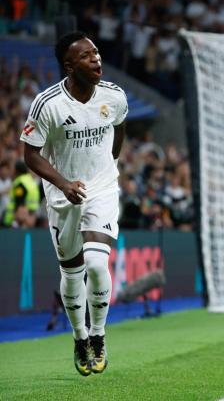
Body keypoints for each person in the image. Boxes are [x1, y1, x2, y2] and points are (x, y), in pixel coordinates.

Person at [20, 31, 127, 376]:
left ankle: (98, 334)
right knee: (71, 271)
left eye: (96, 52)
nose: (96, 58)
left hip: (101, 189)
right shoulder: (47, 104)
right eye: (86, 55)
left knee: (97, 265)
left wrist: (105, 173)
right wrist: (63, 184)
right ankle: (79, 336)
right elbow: (30, 154)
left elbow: (119, 129)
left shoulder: (114, 96)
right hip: (62, 195)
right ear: (69, 65)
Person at [2, 160, 40, 228]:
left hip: (17, 222)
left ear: (16, 170)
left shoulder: (20, 183)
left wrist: (15, 222)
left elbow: (20, 204)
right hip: (31, 217)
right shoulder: (31, 181)